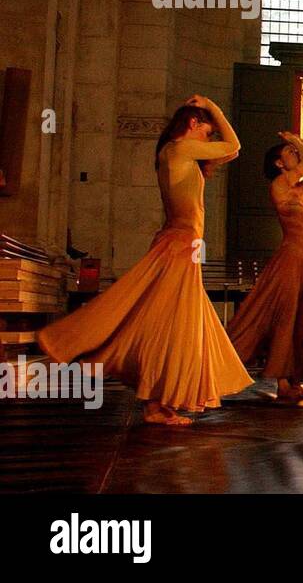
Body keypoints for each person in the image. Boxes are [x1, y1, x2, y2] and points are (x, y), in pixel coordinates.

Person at [38, 97, 252, 425]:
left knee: (165, 322)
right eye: (206, 133)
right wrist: (214, 107)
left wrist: (211, 120)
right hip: (180, 247)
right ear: (193, 124)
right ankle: (155, 402)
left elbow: (232, 151)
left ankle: (158, 402)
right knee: (167, 323)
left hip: (182, 246)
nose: (209, 140)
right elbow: (235, 143)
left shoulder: (175, 151)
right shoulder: (180, 148)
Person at [225, 132, 303, 406]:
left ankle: (294, 381)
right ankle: (281, 382)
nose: (295, 155)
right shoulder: (279, 184)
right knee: (286, 317)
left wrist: (298, 143)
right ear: (279, 163)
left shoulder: (302, 189)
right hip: (290, 259)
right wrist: (296, 141)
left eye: (294, 151)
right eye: (289, 153)